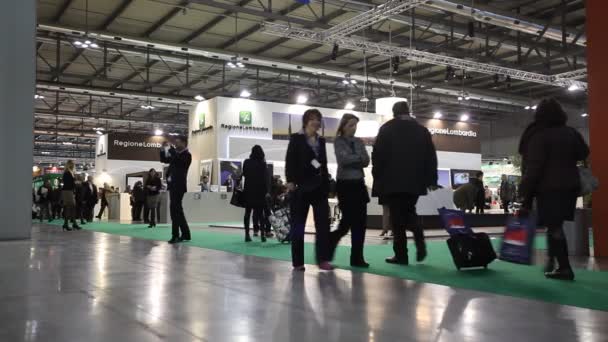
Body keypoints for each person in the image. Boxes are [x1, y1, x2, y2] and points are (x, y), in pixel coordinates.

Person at [518, 98, 589, 281]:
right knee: (554, 225)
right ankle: (553, 262)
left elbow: (534, 167)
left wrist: (524, 190)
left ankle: (564, 268)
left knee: (554, 227)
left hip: (548, 188)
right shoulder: (570, 132)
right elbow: (584, 153)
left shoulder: (539, 135)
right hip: (570, 187)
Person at [372, 101, 438, 265]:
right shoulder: (422, 131)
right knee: (409, 211)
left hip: (392, 181)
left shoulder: (386, 129)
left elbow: (378, 155)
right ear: (408, 111)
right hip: (415, 182)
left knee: (397, 219)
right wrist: (431, 179)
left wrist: (377, 176)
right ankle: (419, 240)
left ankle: (401, 255)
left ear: (394, 113)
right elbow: (430, 157)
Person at [285, 109, 333, 271]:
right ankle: (298, 262)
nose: (316, 122)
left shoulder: (322, 141)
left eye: (318, 119)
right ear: (306, 121)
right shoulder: (296, 139)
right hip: (300, 187)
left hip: (319, 188)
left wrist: (327, 183)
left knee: (323, 225)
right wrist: (290, 181)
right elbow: (290, 160)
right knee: (298, 225)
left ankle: (323, 259)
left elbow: (323, 164)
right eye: (312, 119)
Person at [329, 113, 370, 267]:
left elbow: (366, 160)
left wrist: (355, 158)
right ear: (344, 126)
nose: (354, 128)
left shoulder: (359, 141)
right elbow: (343, 160)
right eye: (351, 125)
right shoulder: (338, 141)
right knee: (346, 223)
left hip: (359, 184)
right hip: (345, 185)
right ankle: (331, 243)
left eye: (355, 125)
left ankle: (357, 257)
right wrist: (357, 158)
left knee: (361, 224)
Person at [161, 136, 192, 244]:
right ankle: (185, 234)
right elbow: (164, 160)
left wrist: (171, 150)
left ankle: (176, 235)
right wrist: (162, 149)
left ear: (184, 143)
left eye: (178, 142)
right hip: (173, 185)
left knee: (175, 211)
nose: (176, 144)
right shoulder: (177, 154)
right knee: (177, 210)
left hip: (179, 186)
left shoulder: (187, 155)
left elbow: (180, 163)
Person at [242, 145, 270, 242]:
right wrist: (266, 191)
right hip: (260, 192)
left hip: (248, 191)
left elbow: (244, 174)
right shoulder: (262, 164)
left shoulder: (246, 162)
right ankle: (262, 235)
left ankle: (247, 235)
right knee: (260, 214)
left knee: (247, 213)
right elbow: (265, 179)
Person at [61, 160, 81, 231]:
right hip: (67, 191)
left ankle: (67, 223)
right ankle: (70, 223)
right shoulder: (68, 173)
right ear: (70, 165)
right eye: (73, 164)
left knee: (70, 207)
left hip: (69, 191)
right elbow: (69, 183)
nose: (74, 165)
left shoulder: (69, 172)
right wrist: (76, 183)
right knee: (70, 207)